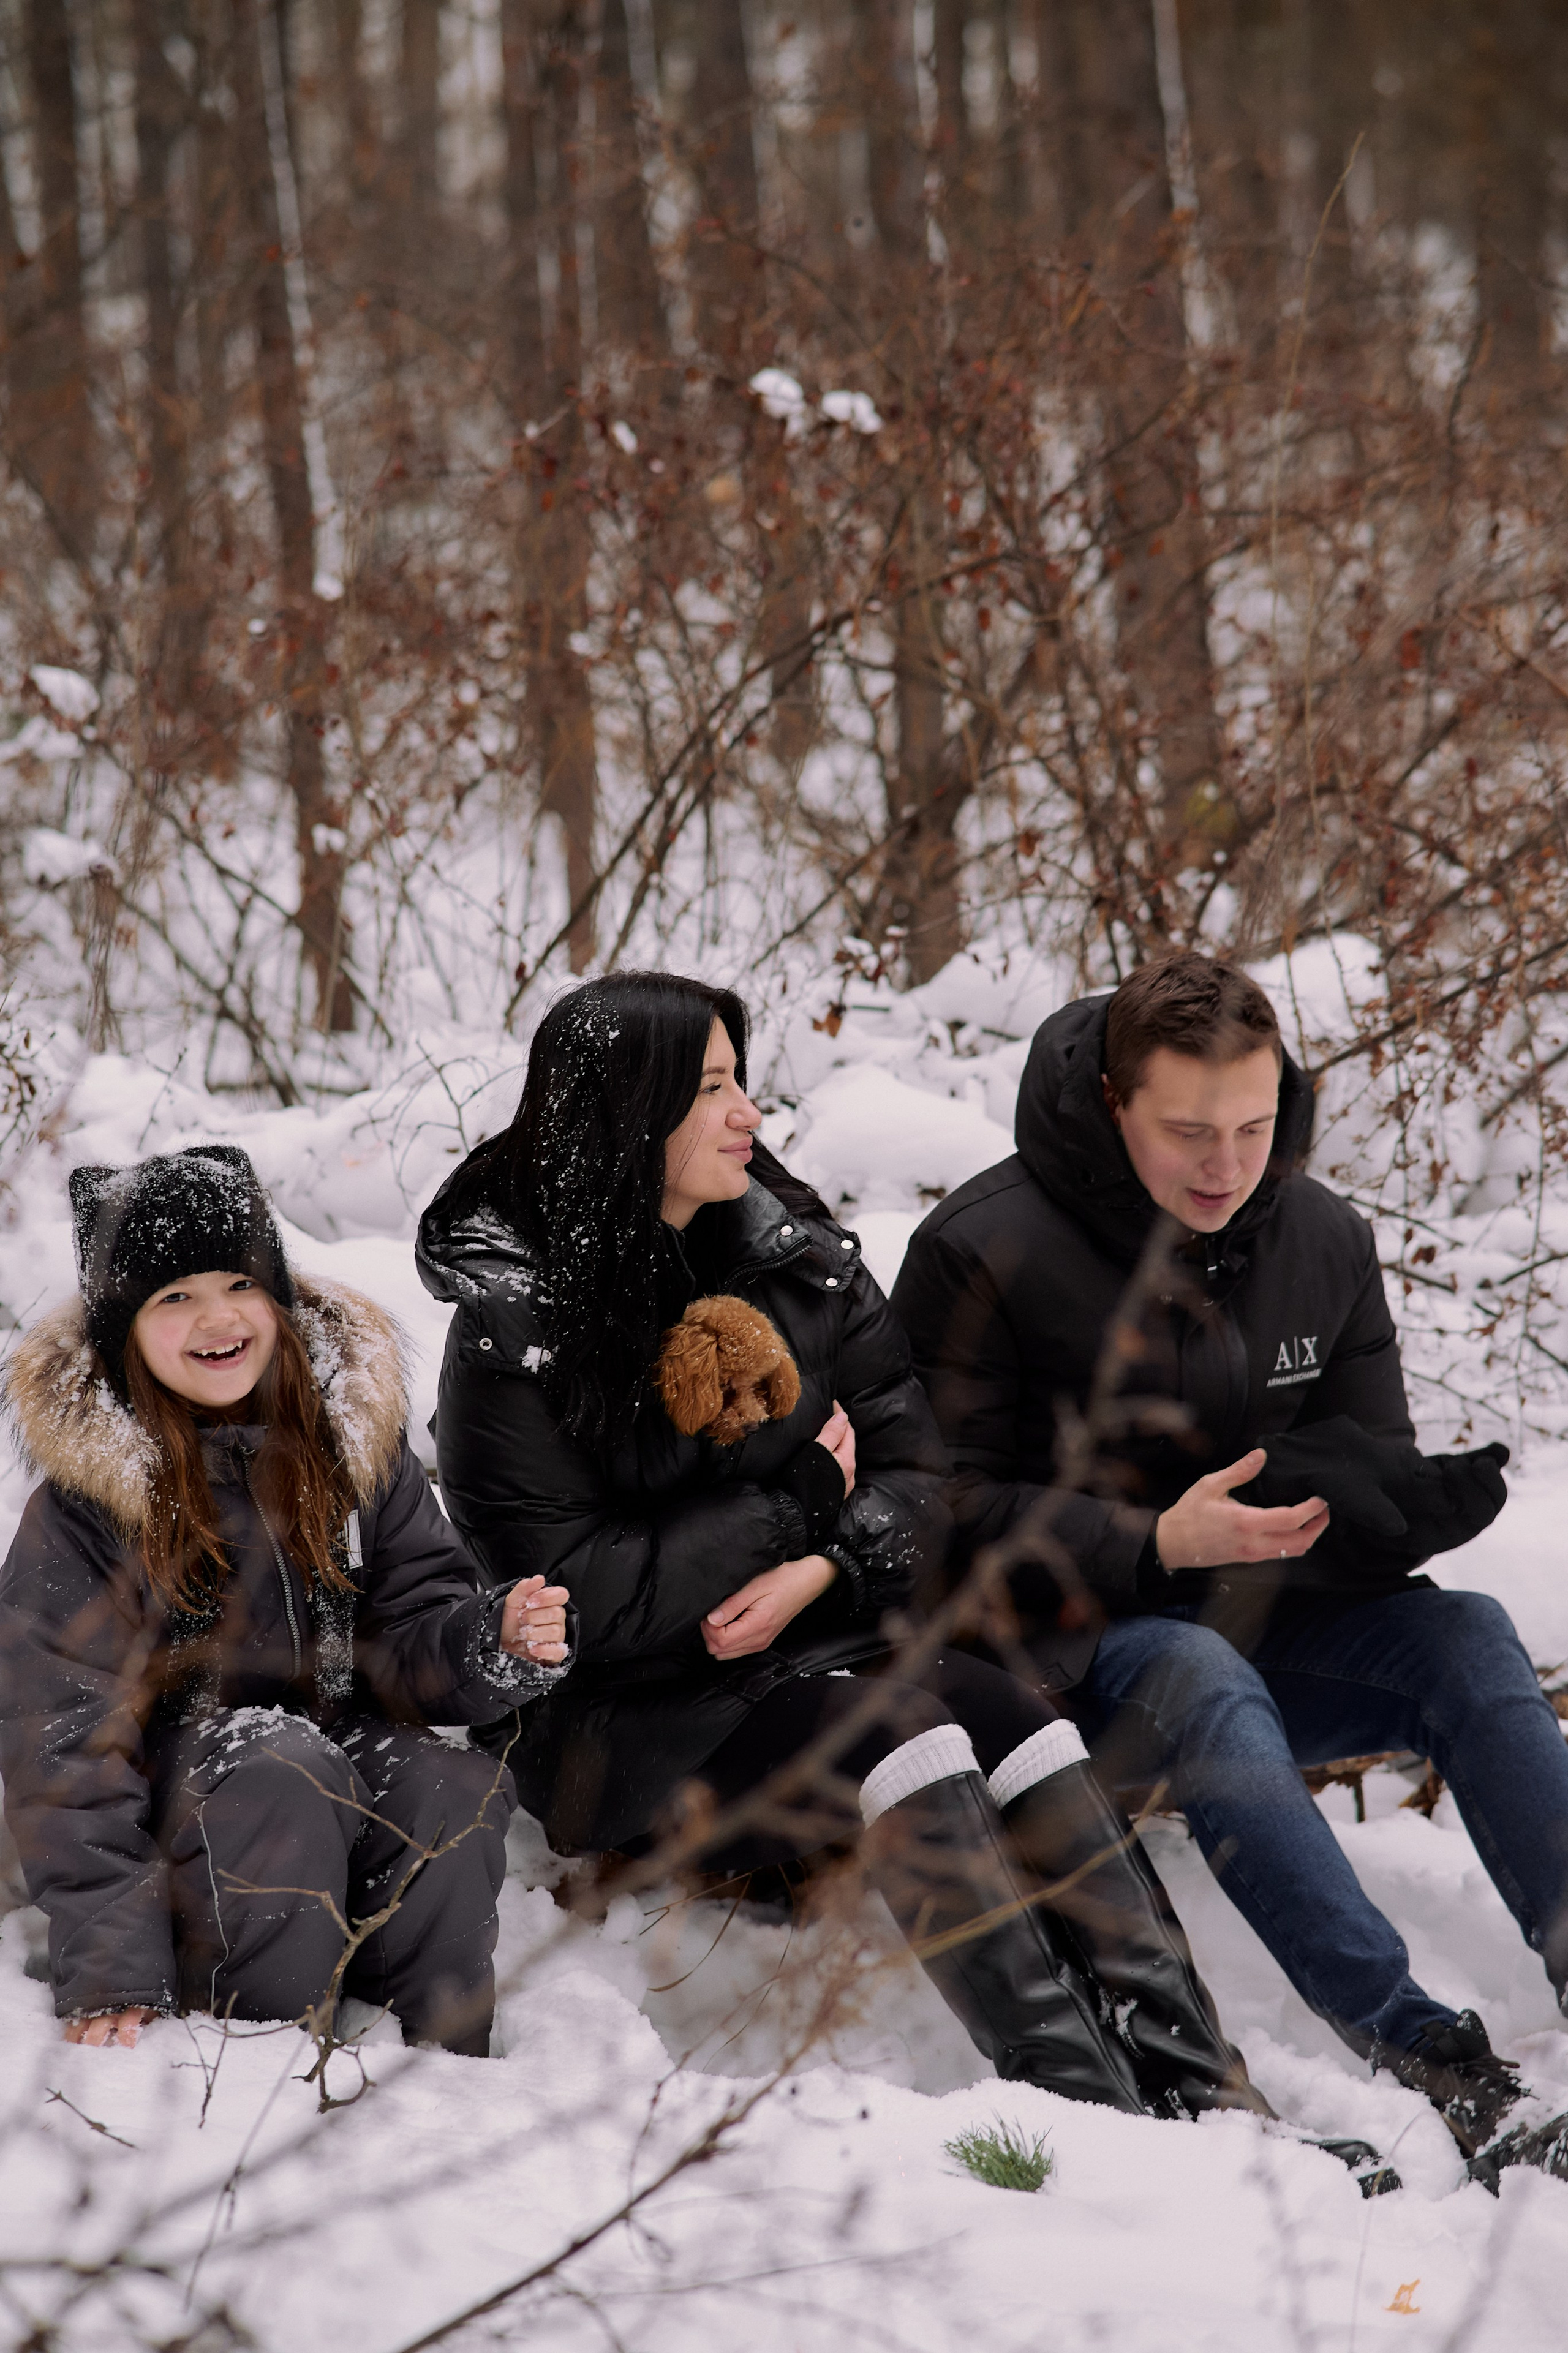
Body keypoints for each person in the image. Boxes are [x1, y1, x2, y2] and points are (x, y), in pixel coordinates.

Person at [417, 968, 1299, 2129]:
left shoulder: (796, 1256)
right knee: (914, 1734)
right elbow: (583, 1599)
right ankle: (1091, 2112)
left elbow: (920, 1477)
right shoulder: (513, 1334)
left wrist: (822, 1566)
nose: (750, 1113)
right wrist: (795, 1502)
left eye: (745, 1081)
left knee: (1024, 1726)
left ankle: (1207, 2094)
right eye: (714, 1089)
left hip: (819, 1640)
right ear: (629, 1114)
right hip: (631, 1722)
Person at [891, 949, 1568, 2181]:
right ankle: (1430, 2057)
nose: (1225, 1163)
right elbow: (930, 1516)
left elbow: (1361, 1465)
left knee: (1465, 1633)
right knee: (1196, 1670)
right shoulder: (980, 1248)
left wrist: (1407, 1505)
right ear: (1111, 1100)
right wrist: (1153, 1540)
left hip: (1274, 1616)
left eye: (1253, 1126)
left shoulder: (1320, 1235)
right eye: (1187, 1131)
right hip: (1067, 1655)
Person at [0, 1146, 570, 2057]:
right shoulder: (89, 1508)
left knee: (446, 1787)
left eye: (239, 1283)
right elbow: (64, 1750)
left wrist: (482, 1642)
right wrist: (110, 1957)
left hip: (330, 1775)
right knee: (282, 1765)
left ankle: (442, 2061)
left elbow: (410, 1628)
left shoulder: (348, 1450)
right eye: (173, 1297)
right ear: (122, 1330)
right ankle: (266, 2064)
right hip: (184, 1845)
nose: (218, 1317)